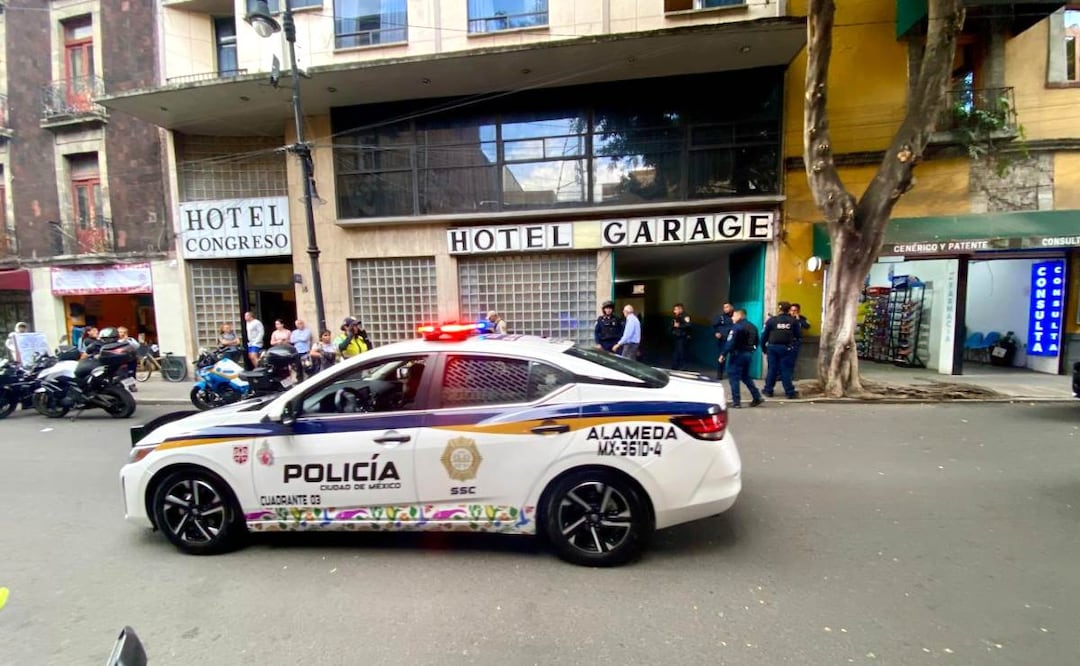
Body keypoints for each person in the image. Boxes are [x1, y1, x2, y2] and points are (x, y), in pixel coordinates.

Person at [718, 309, 763, 408]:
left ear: (740, 316)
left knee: (734, 377)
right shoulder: (753, 327)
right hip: (748, 355)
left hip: (737, 355)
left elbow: (730, 342)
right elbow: (757, 341)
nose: (732, 318)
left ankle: (736, 401)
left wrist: (723, 354)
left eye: (734, 316)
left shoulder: (737, 327)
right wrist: (751, 350)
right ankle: (757, 396)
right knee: (745, 376)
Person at [762, 301, 800, 399]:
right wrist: (793, 348)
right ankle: (790, 392)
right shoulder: (793, 321)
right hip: (786, 348)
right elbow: (798, 336)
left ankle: (768, 390)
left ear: (779, 309)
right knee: (785, 370)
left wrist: (764, 348)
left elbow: (764, 336)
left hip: (772, 347)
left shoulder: (771, 321)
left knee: (772, 369)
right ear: (788, 310)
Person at [711, 303, 735, 380]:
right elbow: (714, 326)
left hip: (733, 340)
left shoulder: (735, 316)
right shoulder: (721, 317)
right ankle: (719, 374)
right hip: (723, 340)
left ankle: (732, 374)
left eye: (727, 307)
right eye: (724, 307)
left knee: (734, 357)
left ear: (731, 308)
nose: (725, 309)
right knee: (722, 357)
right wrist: (716, 333)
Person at [669, 302, 692, 371]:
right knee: (676, 351)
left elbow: (688, 325)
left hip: (682, 337)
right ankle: (674, 366)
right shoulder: (676, 316)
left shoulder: (685, 316)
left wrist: (679, 326)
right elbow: (672, 325)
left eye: (675, 310)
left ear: (680, 309)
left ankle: (682, 366)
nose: (674, 311)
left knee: (681, 351)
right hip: (676, 336)